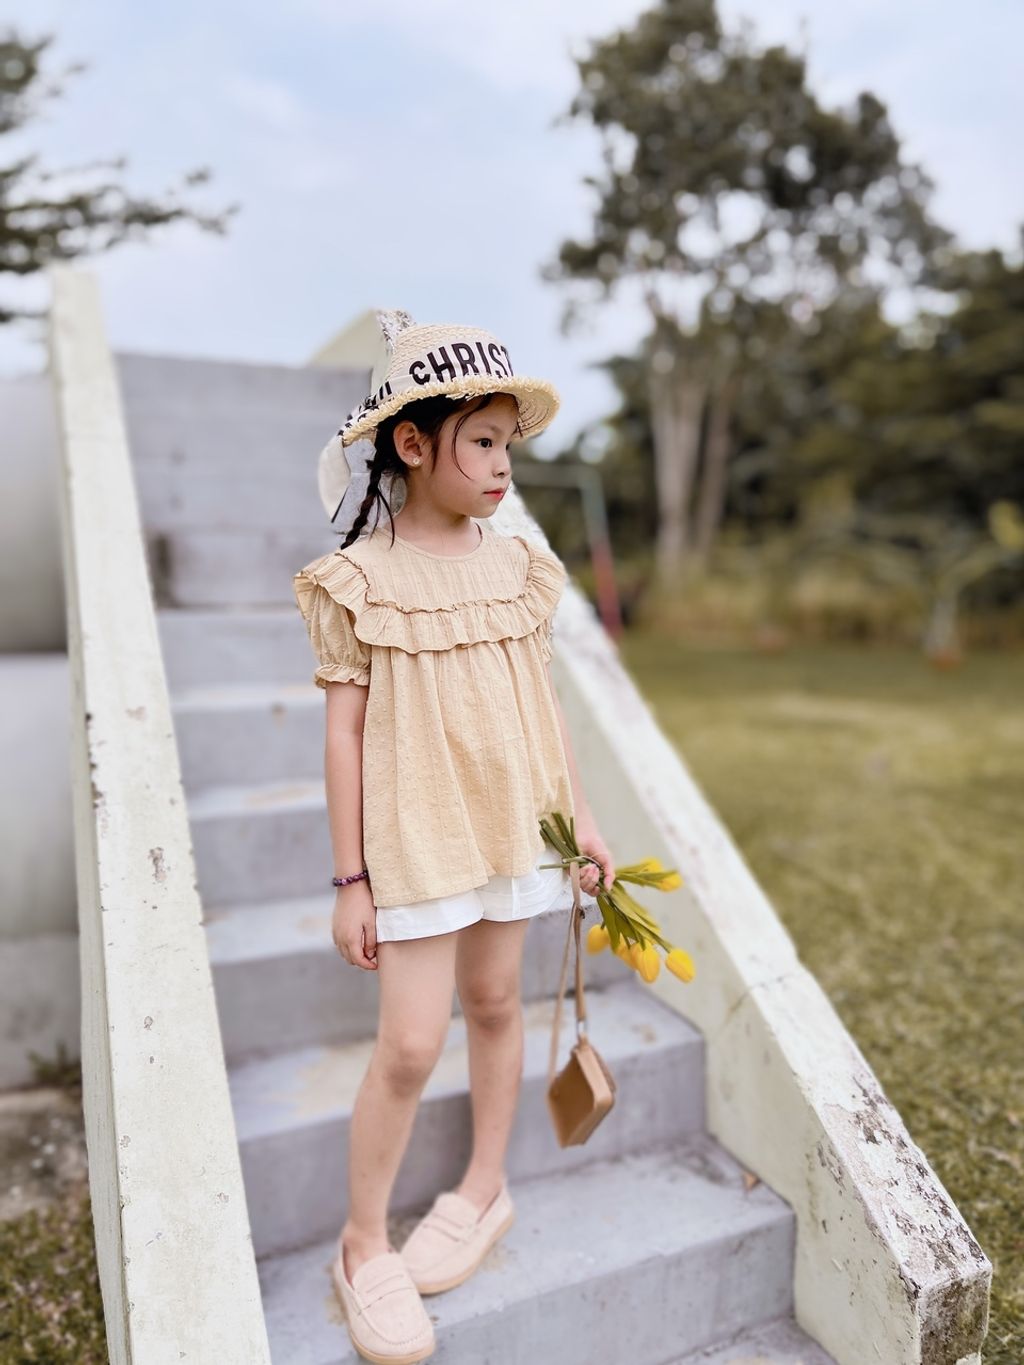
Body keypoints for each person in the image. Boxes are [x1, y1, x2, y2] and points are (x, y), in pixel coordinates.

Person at [293, 312, 614, 1365]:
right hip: (416, 839)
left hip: (513, 827)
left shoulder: (519, 564)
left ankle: (484, 1186)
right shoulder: (360, 578)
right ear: (413, 443)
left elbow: (542, 706)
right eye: (480, 441)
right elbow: (344, 734)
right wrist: (351, 879)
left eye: (506, 443)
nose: (501, 464)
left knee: (495, 1002)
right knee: (409, 1045)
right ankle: (362, 1245)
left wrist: (580, 822)